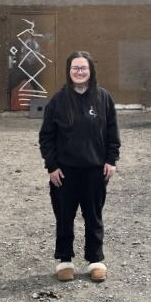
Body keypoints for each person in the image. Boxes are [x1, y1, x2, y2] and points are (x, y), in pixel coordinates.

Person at [38, 51, 121, 282]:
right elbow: (46, 137)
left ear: (91, 70)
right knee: (65, 217)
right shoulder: (58, 100)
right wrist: (52, 166)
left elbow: (112, 132)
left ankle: (95, 260)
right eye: (75, 68)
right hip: (64, 172)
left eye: (83, 68)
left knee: (93, 216)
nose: (79, 72)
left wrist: (111, 160)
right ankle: (65, 261)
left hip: (95, 170)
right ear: (69, 71)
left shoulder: (103, 98)